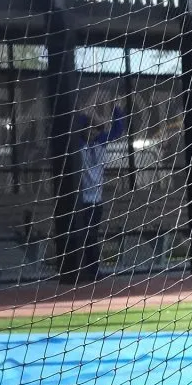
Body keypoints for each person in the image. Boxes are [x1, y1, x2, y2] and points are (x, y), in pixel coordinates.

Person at [62, 104, 127, 285]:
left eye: (97, 129)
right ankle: (80, 270)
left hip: (96, 200)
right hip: (81, 200)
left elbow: (117, 130)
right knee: (82, 236)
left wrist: (116, 111)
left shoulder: (100, 142)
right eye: (91, 128)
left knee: (92, 236)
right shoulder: (78, 144)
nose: (94, 132)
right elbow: (78, 125)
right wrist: (87, 116)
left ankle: (93, 270)